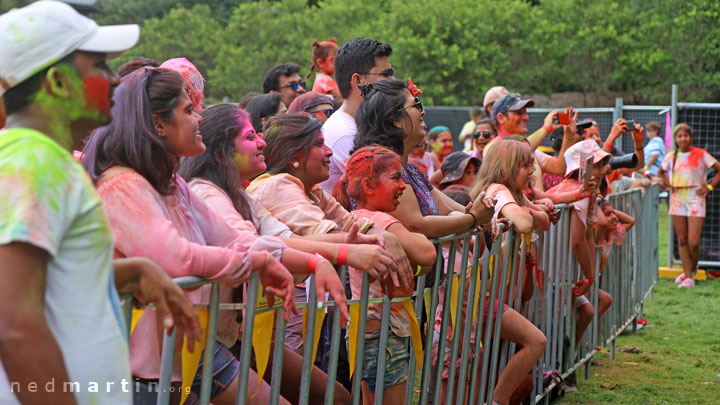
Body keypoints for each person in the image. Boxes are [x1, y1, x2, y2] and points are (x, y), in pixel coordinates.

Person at [0, 2, 200, 403]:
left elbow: (54, 277)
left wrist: (132, 271)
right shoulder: (34, 163)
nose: (113, 80)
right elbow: (13, 321)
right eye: (100, 66)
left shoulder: (43, 160)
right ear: (58, 82)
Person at [82, 67, 300, 405]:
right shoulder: (123, 185)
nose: (200, 118)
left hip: (187, 348)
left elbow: (231, 237)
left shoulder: (173, 184)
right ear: (158, 124)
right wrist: (255, 262)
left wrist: (317, 262)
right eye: (188, 110)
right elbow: (177, 259)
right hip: (141, 372)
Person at [178, 104, 393, 403]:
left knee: (335, 397)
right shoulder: (207, 192)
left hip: (238, 335)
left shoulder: (240, 195)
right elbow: (257, 244)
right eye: (251, 136)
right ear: (221, 153)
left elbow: (282, 238)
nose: (262, 141)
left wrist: (350, 245)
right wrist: (336, 254)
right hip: (202, 341)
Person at [333, 145, 436, 404]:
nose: (403, 186)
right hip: (383, 334)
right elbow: (426, 254)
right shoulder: (377, 220)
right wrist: (415, 233)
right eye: (395, 178)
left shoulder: (360, 217)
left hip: (373, 331)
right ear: (369, 186)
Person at [468, 139, 548, 405]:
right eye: (524, 165)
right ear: (506, 167)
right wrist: (529, 211)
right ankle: (497, 401)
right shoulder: (499, 189)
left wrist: (530, 209)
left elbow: (545, 221)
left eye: (530, 164)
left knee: (484, 365)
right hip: (481, 296)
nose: (531, 171)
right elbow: (527, 223)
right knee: (536, 342)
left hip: (494, 294)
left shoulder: (515, 193)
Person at [318, 37, 394, 194]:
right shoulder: (345, 134)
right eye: (386, 74)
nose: (393, 81)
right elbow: (386, 195)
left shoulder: (365, 125)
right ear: (359, 80)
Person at [659, 123, 720, 288]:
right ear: (676, 139)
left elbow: (718, 169)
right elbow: (661, 172)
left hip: (695, 198)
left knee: (693, 241)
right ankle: (687, 276)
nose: (683, 139)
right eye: (680, 136)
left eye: (686, 135)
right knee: (682, 239)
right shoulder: (671, 156)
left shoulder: (701, 154)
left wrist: (709, 187)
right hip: (677, 197)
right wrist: (668, 185)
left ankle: (691, 270)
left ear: (690, 137)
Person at [485, 94, 575, 191]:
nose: (526, 117)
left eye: (525, 113)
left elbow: (559, 168)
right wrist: (546, 129)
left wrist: (568, 136)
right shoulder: (492, 148)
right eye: (519, 113)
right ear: (501, 118)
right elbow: (513, 151)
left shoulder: (531, 149)